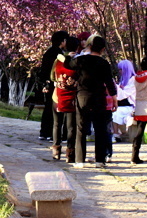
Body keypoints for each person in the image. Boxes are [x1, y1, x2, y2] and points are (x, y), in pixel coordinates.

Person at [72, 36, 119, 166]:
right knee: (100, 129)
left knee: (81, 129)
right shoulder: (104, 63)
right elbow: (109, 83)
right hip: (99, 97)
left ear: (89, 46)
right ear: (103, 49)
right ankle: (100, 160)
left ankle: (79, 160)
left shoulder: (80, 60)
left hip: (82, 96)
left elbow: (67, 64)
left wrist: (70, 56)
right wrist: (114, 99)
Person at [51, 36, 81, 161]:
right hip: (73, 97)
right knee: (71, 126)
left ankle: (56, 150)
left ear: (65, 46)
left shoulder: (58, 60)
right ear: (78, 47)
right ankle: (70, 153)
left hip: (58, 95)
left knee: (57, 124)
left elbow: (52, 76)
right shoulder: (79, 61)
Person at [36, 30, 68, 142]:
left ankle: (44, 132)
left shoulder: (48, 52)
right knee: (54, 109)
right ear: (62, 41)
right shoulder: (59, 54)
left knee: (48, 108)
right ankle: (51, 133)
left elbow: (43, 70)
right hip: (55, 84)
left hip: (47, 83)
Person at [111, 59, 136, 141]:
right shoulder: (124, 80)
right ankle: (116, 133)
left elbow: (123, 95)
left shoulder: (133, 80)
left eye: (121, 69)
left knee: (116, 112)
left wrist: (115, 86)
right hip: (122, 105)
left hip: (131, 106)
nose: (119, 71)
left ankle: (116, 134)